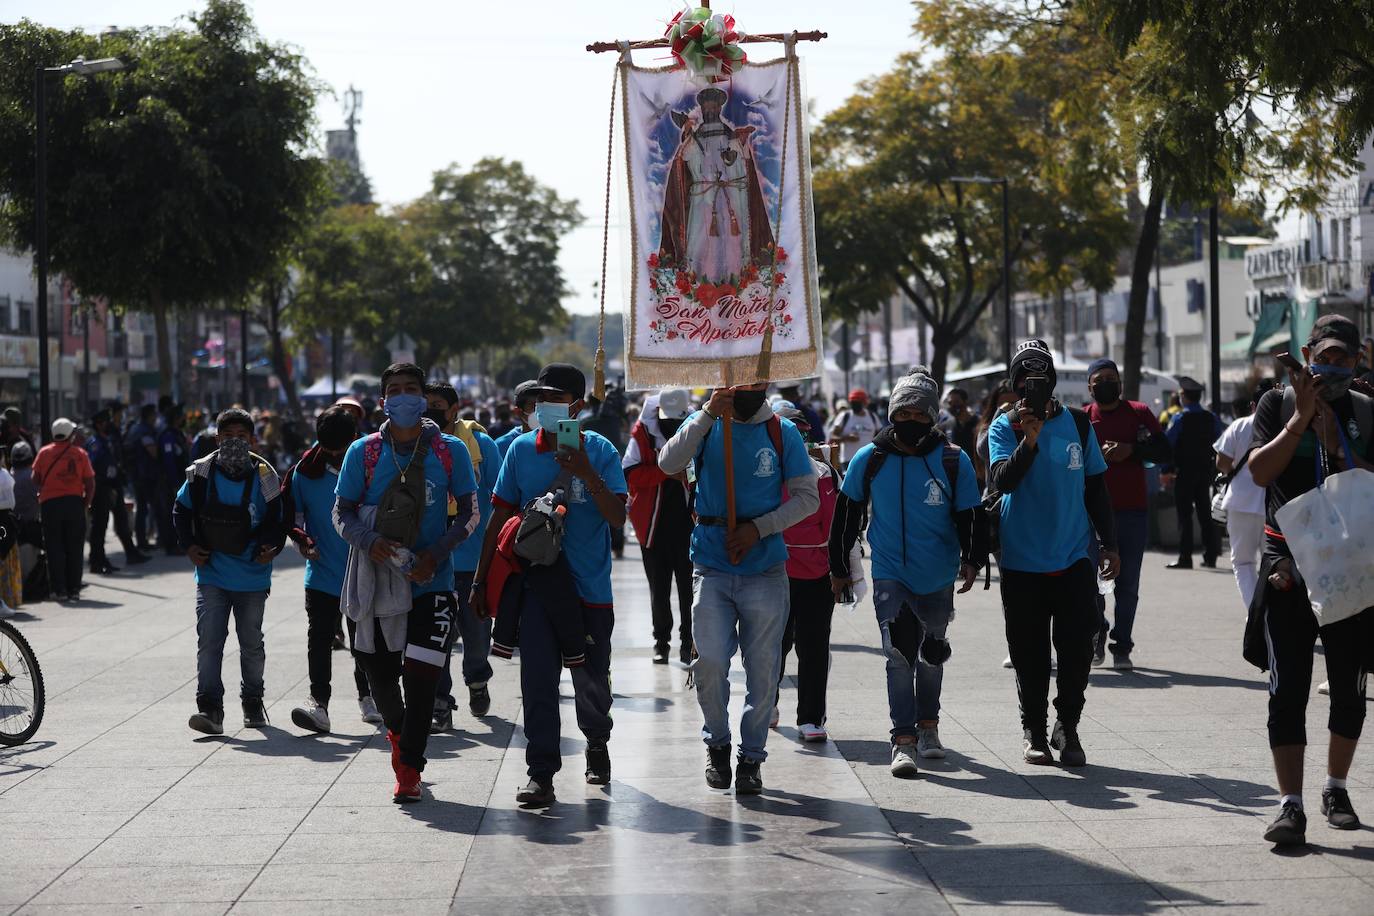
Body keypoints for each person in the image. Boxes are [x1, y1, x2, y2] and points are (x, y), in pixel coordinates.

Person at [471, 363, 627, 806]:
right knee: (537, 682)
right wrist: (482, 581)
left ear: (576, 406)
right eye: (539, 398)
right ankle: (541, 773)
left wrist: (584, 471)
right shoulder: (520, 450)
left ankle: (597, 742)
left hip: (589, 590)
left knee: (592, 681)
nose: (544, 406)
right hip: (537, 587)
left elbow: (618, 518)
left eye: (555, 398)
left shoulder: (601, 450)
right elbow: (498, 517)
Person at [1245, 315, 1374, 845]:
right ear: (1307, 350)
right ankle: (1289, 804)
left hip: (1351, 571)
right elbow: (1257, 472)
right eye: (1326, 355)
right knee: (1288, 689)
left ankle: (1336, 787)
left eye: (1345, 358)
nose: (1334, 366)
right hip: (1287, 569)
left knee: (1348, 690)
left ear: (1358, 357)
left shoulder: (1365, 409)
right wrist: (1300, 419)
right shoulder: (1275, 404)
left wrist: (1338, 443)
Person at [658, 380, 818, 795]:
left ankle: (751, 757)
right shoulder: (706, 423)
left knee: (763, 671)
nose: (745, 387)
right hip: (710, 564)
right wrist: (708, 412)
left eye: (754, 379)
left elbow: (808, 497)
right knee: (709, 662)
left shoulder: (781, 432)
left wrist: (759, 529)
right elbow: (667, 461)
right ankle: (718, 742)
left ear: (765, 380)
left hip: (764, 567)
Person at [334, 362, 479, 803]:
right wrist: (371, 541)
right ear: (383, 400)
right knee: (380, 680)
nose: (403, 396)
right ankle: (398, 736)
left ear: (422, 396)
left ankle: (409, 769)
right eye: (394, 389)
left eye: (411, 389)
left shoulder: (449, 450)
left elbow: (471, 514)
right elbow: (342, 513)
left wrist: (436, 555)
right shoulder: (364, 452)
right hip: (374, 586)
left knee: (421, 681)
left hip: (433, 586)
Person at [829, 371, 982, 775]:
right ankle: (903, 739)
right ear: (892, 413)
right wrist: (839, 567)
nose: (910, 420)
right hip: (890, 572)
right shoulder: (871, 458)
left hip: (937, 573)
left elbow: (970, 514)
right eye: (903, 412)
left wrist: (973, 558)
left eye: (919, 414)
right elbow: (846, 513)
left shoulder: (952, 459)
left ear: (932, 417)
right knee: (897, 655)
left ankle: (928, 727)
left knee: (931, 654)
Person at [988, 340, 1119, 766]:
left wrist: (1110, 543)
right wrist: (1029, 440)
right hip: (1021, 561)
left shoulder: (1080, 425)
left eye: (1041, 375)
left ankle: (1069, 727)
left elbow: (1097, 487)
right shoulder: (1003, 427)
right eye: (1024, 376)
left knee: (1078, 647)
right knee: (1028, 653)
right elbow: (1002, 482)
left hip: (1073, 558)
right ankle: (1034, 732)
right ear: (1014, 383)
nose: (1033, 384)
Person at [174, 408, 286, 735]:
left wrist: (272, 547)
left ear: (252, 440)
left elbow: (278, 519)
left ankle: (253, 702)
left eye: (241, 437)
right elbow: (181, 511)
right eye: (227, 437)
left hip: (252, 575)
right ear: (216, 439)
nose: (234, 442)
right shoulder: (200, 473)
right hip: (212, 574)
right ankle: (209, 708)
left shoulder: (265, 475)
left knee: (251, 642)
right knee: (210, 640)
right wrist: (189, 546)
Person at [285, 407, 381, 733]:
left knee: (363, 641)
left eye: (342, 451)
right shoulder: (303, 473)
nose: (337, 457)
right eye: (330, 451)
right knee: (319, 639)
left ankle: (368, 697)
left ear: (354, 439)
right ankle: (319, 704)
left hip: (362, 572)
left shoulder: (371, 468)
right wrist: (303, 543)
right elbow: (293, 517)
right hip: (322, 575)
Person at [1083, 359, 1171, 670]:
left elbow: (1164, 452)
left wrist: (1131, 451)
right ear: (1090, 386)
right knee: (1090, 584)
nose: (1107, 383)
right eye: (1100, 379)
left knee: (1127, 585)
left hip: (1133, 513)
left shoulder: (1139, 413)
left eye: (1112, 378)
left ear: (1120, 384)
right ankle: (1097, 634)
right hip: (1091, 516)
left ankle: (1122, 645)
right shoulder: (1082, 419)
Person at [422, 382, 499, 732]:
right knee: (437, 636)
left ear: (454, 410)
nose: (430, 411)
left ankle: (478, 679)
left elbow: (501, 498)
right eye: (426, 405)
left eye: (437, 405)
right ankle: (440, 701)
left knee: (476, 635)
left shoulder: (482, 446)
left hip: (473, 559)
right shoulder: (416, 446)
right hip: (432, 561)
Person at [769, 400, 843, 743]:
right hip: (773, 571)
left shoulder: (825, 474)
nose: (796, 440)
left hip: (816, 574)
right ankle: (766, 703)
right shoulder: (764, 474)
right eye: (788, 434)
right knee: (772, 645)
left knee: (814, 646)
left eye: (801, 434)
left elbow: (835, 527)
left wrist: (841, 571)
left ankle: (811, 717)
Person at [623, 388, 696, 666]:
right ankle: (661, 642)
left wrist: (686, 475)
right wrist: (666, 473)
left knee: (690, 589)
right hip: (652, 525)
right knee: (659, 588)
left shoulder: (695, 427)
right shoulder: (642, 433)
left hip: (689, 524)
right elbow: (631, 473)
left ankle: (689, 642)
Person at [1213, 384, 1271, 611]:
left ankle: (1255, 611)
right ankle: (1272, 613)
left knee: (1243, 562)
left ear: (1253, 405)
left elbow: (1223, 463)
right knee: (1273, 563)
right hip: (1274, 503)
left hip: (1241, 501)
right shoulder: (1284, 427)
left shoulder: (1240, 425)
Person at [32, 419, 96, 602]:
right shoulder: (80, 454)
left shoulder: (44, 453)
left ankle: (58, 590)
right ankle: (74, 589)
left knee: (54, 548)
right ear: (70, 434)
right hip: (74, 504)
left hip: (50, 505)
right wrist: (85, 503)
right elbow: (90, 483)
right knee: (75, 548)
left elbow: (35, 478)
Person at [1163, 378, 1222, 569]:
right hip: (1205, 471)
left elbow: (1168, 444)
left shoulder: (1179, 418)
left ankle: (1185, 557)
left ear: (1184, 397)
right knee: (1205, 513)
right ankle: (1210, 555)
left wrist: (1166, 469)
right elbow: (1219, 441)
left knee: (1185, 514)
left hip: (1184, 471)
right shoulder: (1211, 417)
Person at [85, 408, 150, 575]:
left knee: (121, 520)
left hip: (113, 485)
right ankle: (97, 561)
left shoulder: (107, 440)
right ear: (99, 424)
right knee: (99, 525)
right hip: (101, 487)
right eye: (106, 421)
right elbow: (92, 467)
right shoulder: (95, 443)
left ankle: (130, 552)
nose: (109, 424)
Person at [124, 404, 161, 552]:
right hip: (144, 475)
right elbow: (153, 452)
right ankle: (143, 540)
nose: (156, 418)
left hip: (137, 475)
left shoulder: (135, 429)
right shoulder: (144, 431)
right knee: (144, 509)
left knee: (143, 508)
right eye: (154, 415)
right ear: (149, 416)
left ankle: (144, 538)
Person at [157, 404, 191, 556]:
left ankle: (177, 543)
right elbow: (169, 461)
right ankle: (170, 545)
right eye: (181, 416)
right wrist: (174, 483)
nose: (184, 419)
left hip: (180, 479)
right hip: (171, 481)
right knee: (170, 513)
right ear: (176, 419)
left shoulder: (178, 434)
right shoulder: (168, 436)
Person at [828, 388, 881, 469]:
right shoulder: (844, 416)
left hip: (869, 460)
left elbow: (880, 437)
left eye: (857, 403)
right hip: (849, 461)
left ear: (864, 403)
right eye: (853, 403)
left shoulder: (872, 416)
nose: (855, 405)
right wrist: (846, 438)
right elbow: (832, 437)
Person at [495, 380, 539, 459]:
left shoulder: (556, 441)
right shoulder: (502, 445)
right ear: (518, 412)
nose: (540, 410)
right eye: (533, 406)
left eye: (542, 404)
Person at [940, 387, 979, 457]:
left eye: (956, 402)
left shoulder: (979, 423)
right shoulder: (946, 425)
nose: (953, 406)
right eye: (950, 403)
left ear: (965, 401)